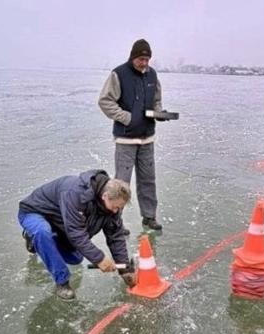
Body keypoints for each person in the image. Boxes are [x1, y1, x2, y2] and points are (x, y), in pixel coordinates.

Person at [18, 170, 137, 299]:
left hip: (60, 222)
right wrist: (99, 258)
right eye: (115, 207)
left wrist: (125, 269)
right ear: (105, 196)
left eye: (120, 208)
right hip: (35, 212)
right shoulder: (75, 193)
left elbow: (115, 236)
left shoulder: (112, 207)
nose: (117, 211)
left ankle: (40, 241)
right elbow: (76, 232)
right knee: (41, 231)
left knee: (75, 258)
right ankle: (62, 281)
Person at [98, 38, 165, 231]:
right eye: (140, 59)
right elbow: (105, 101)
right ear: (133, 57)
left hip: (147, 138)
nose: (144, 63)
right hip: (126, 138)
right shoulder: (118, 74)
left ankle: (149, 217)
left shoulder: (152, 75)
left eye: (147, 59)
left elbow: (156, 100)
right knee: (121, 183)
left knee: (148, 179)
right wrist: (126, 117)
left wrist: (159, 112)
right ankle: (116, 221)